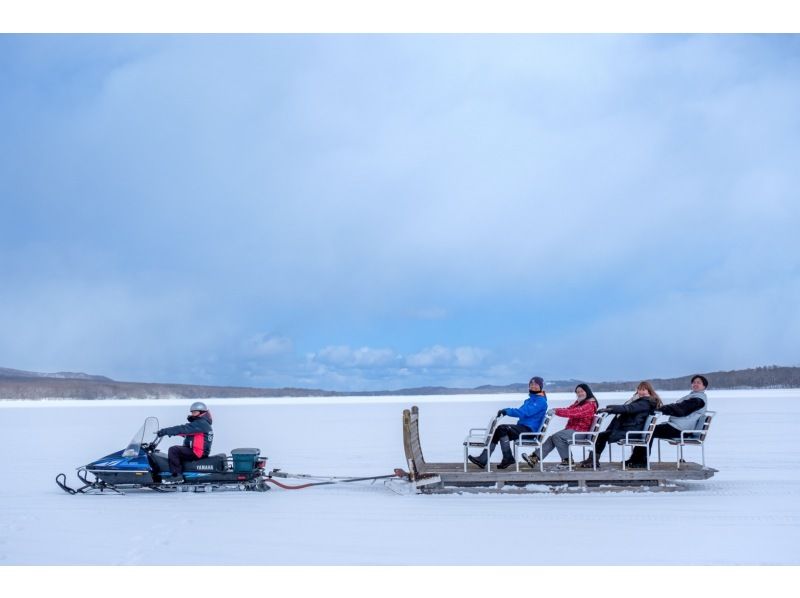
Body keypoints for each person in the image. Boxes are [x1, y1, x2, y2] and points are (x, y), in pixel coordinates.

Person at [626, 374, 709, 467]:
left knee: (649, 431)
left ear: (704, 386)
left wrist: (661, 409)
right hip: (677, 426)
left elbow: (681, 409)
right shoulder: (694, 396)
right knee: (649, 431)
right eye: (694, 382)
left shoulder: (698, 399)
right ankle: (635, 460)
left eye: (698, 383)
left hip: (680, 429)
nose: (695, 384)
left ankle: (640, 461)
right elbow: (678, 407)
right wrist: (662, 409)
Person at [468, 376, 548, 470]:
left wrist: (507, 411)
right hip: (523, 428)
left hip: (529, 430)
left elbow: (523, 412)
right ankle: (484, 459)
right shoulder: (530, 400)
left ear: (541, 386)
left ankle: (507, 457)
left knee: (502, 428)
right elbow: (522, 411)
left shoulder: (540, 401)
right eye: (531, 384)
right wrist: (508, 411)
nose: (533, 386)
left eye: (536, 384)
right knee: (498, 431)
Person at [579, 381, 662, 468]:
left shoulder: (645, 402)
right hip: (631, 428)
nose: (640, 392)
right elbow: (626, 408)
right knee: (602, 436)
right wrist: (610, 409)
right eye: (639, 389)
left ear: (649, 391)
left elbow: (629, 408)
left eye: (643, 390)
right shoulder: (640, 400)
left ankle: (593, 460)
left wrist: (610, 409)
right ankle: (592, 460)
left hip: (632, 430)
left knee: (601, 436)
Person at [523, 383, 598, 469]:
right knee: (552, 438)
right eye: (577, 392)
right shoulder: (580, 402)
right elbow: (569, 409)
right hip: (574, 430)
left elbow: (573, 412)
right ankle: (534, 458)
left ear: (587, 392)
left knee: (558, 436)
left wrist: (556, 412)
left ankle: (567, 461)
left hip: (581, 432)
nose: (579, 393)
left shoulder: (589, 405)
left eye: (581, 391)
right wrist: (555, 409)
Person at [156, 401, 214, 482]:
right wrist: (172, 433)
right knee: (178, 450)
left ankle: (177, 476)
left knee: (173, 450)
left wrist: (166, 431)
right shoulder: (202, 423)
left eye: (195, 412)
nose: (193, 414)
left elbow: (183, 428)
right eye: (192, 412)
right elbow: (186, 432)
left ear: (202, 413)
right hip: (198, 450)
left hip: (198, 452)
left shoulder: (200, 423)